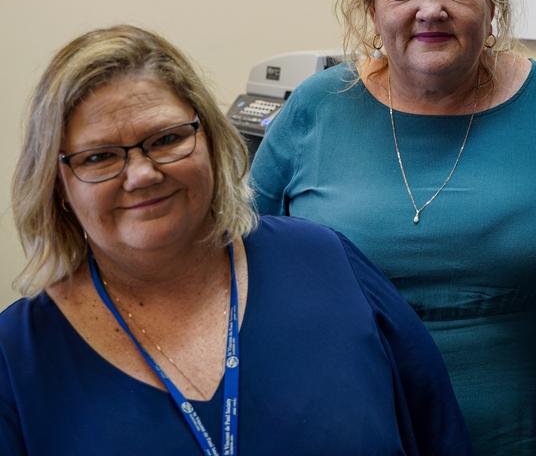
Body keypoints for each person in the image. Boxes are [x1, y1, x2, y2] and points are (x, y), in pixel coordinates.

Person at [1, 25, 471, 456]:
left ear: (211, 137)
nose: (142, 174)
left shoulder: (326, 263)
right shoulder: (18, 358)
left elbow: (439, 434)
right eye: (100, 156)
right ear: (57, 184)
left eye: (165, 139)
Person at [252, 0, 536, 455]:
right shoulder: (316, 108)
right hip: (355, 432)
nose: (430, 9)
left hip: (531, 436)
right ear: (372, 8)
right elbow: (236, 260)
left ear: (491, 7)